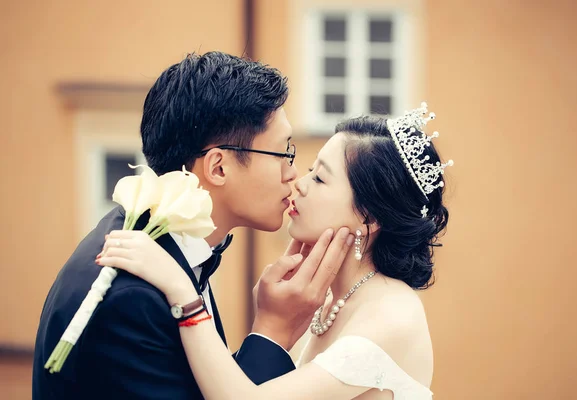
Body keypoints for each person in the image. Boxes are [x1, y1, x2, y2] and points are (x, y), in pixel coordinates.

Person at [32, 52, 353, 400]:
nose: (293, 175)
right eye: (283, 153)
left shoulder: (159, 242)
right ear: (218, 168)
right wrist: (272, 334)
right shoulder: (129, 300)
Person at [98, 103, 453, 399]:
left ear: (369, 215)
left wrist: (182, 292)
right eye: (310, 169)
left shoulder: (392, 315)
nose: (298, 182)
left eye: (319, 178)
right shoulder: (328, 301)